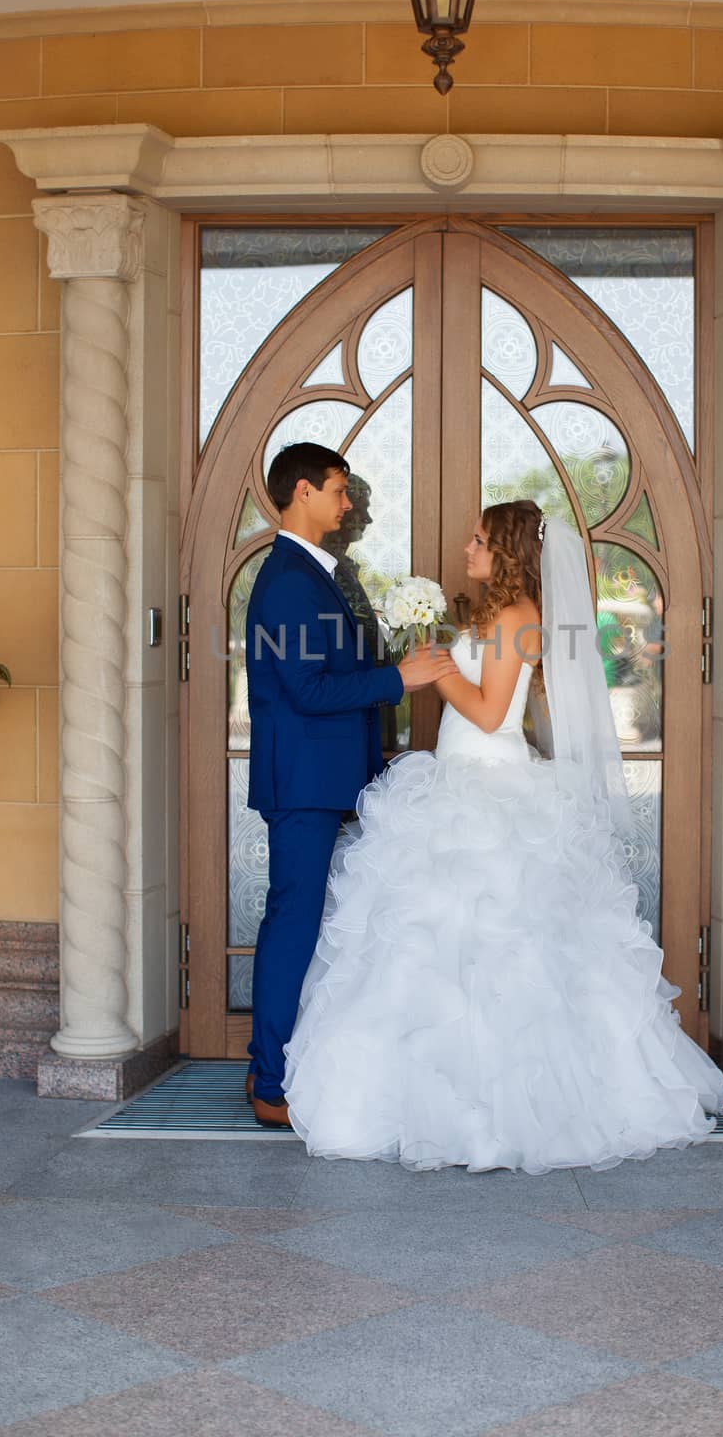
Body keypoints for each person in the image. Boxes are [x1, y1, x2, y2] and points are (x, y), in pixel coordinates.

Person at [283, 498, 723, 1171]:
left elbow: (492, 715)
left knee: (501, 954)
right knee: (429, 951)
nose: (466, 549)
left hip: (491, 787)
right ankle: (435, 1107)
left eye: (477, 540)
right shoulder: (487, 614)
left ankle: (513, 1114)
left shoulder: (520, 618)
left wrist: (437, 673)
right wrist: (439, 660)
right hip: (454, 783)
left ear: (507, 553)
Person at [243, 443, 456, 1127]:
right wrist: (403, 679)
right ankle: (268, 1083)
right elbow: (306, 688)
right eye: (339, 490)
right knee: (293, 926)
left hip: (329, 777)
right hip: (302, 783)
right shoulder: (286, 580)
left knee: (313, 924)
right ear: (301, 492)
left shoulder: (320, 575)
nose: (349, 503)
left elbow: (330, 671)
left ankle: (288, 1067)